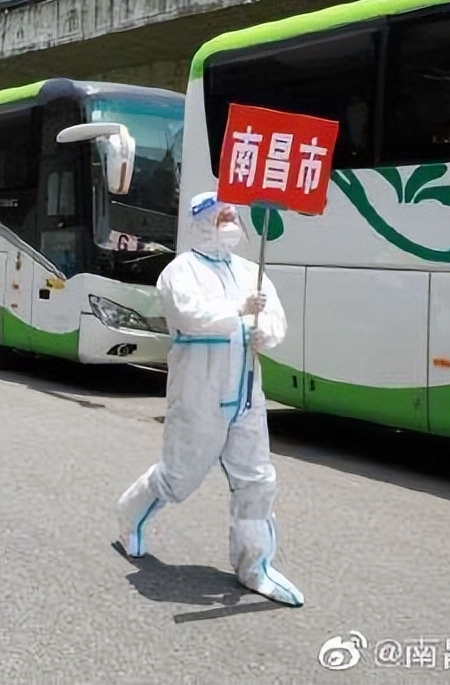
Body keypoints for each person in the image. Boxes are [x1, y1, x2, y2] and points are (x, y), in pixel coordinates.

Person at [116, 192, 303, 607]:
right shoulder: (179, 271)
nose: (231, 221)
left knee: (256, 479)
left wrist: (264, 333)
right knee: (179, 477)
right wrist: (238, 310)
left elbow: (274, 318)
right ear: (201, 221)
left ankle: (255, 566)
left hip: (246, 388)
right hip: (199, 388)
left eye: (234, 215)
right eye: (223, 216)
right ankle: (130, 514)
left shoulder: (251, 270)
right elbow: (189, 315)